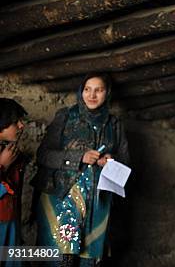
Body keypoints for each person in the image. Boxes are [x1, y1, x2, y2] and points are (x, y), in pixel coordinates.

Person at [31, 73, 129, 267]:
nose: (92, 95)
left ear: (107, 93)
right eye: (87, 89)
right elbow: (43, 155)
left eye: (98, 90)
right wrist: (79, 157)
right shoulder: (66, 117)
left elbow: (126, 166)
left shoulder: (114, 125)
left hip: (98, 203)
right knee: (60, 259)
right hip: (61, 197)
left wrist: (111, 161)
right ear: (80, 91)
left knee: (89, 260)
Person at [0, 98, 28, 266]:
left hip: (11, 223)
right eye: (15, 122)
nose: (21, 126)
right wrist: (2, 165)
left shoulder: (12, 152)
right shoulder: (7, 157)